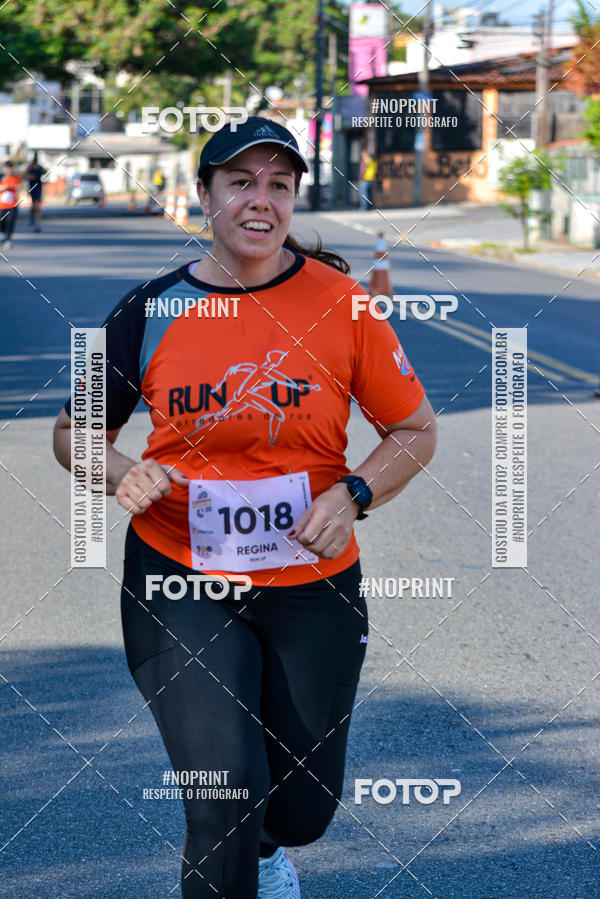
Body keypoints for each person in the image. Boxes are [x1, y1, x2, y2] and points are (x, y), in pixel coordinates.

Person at [53, 115, 436, 898]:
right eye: (239, 182)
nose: (260, 200)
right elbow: (73, 432)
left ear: (292, 200)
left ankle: (269, 849)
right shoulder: (147, 310)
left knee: (299, 809)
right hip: (180, 580)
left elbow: (414, 430)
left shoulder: (344, 305)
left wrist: (355, 491)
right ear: (204, 196)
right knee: (224, 795)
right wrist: (118, 469)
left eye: (279, 185)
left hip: (312, 585)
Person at [0, 161, 22, 250]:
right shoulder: (1, 177)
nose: (8, 170)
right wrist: (5, 187)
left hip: (12, 205)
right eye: (7, 168)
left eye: (10, 168)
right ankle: (3, 235)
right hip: (2, 205)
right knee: (2, 222)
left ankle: (8, 240)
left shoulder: (16, 177)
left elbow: (19, 187)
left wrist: (10, 186)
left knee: (10, 223)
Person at [24, 153, 47, 231]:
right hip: (32, 187)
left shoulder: (40, 167)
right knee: (34, 205)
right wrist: (30, 177)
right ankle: (32, 218)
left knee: (37, 205)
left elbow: (45, 171)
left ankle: (37, 222)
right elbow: (25, 175)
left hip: (38, 187)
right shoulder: (30, 168)